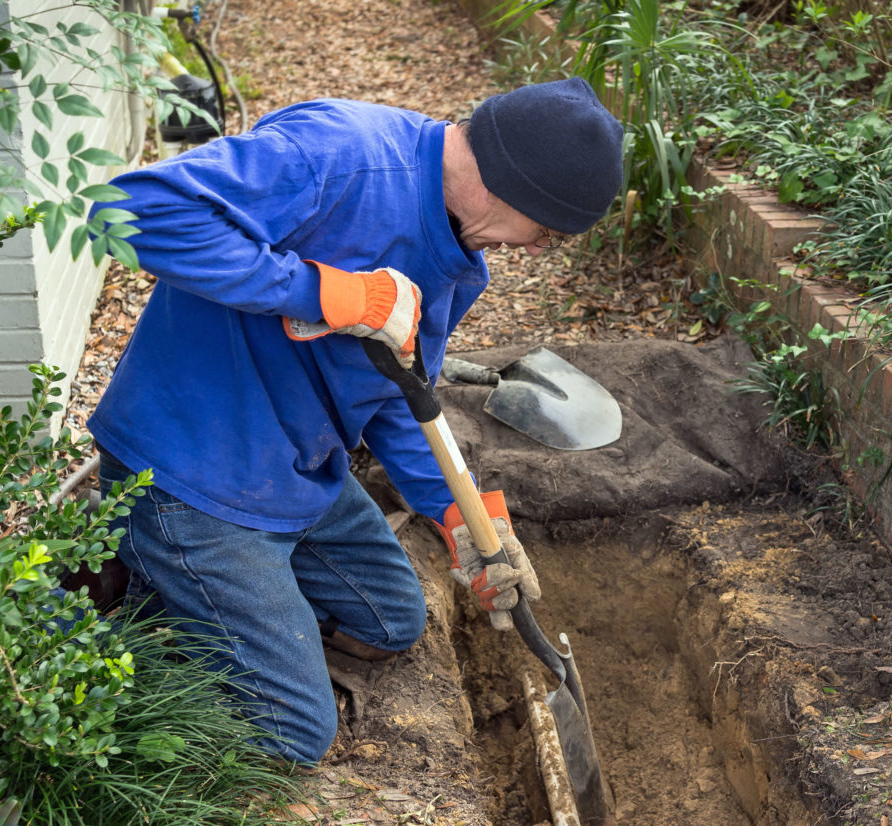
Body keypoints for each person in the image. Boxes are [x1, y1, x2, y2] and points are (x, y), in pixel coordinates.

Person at [87, 77, 623, 764]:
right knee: (291, 736)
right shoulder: (339, 155)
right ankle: (138, 583)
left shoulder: (462, 263)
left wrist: (464, 519)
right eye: (547, 230)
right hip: (192, 468)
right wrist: (321, 290)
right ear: (508, 185)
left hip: (293, 468)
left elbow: (400, 393)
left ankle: (210, 595)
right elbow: (128, 211)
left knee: (389, 623)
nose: (541, 248)